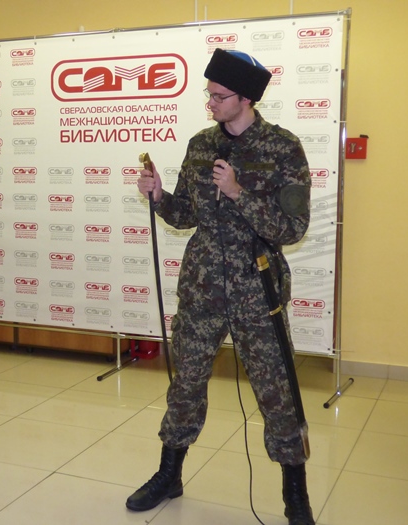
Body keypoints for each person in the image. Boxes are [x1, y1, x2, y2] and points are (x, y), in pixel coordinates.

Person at [126, 48, 314, 525]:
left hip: (259, 291)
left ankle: (295, 495)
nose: (210, 103)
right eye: (208, 95)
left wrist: (238, 193)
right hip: (203, 286)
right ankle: (169, 473)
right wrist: (159, 196)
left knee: (277, 392)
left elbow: (292, 229)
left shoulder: (283, 147)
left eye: (219, 96)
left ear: (246, 98)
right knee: (185, 383)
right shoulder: (200, 145)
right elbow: (186, 216)